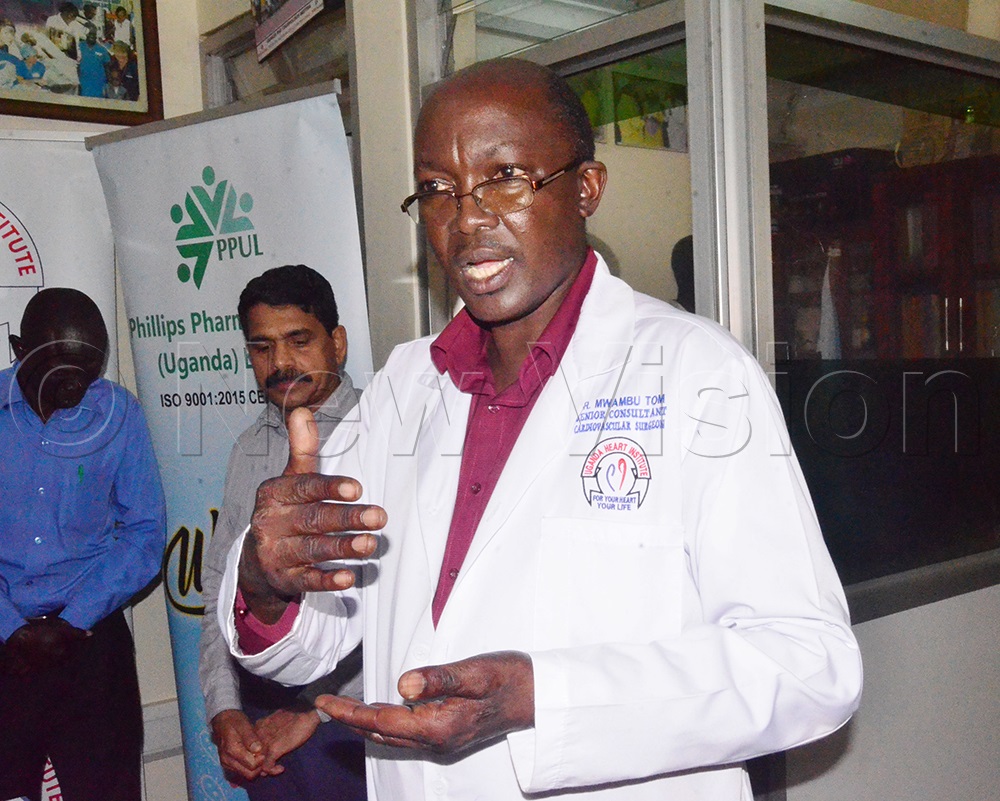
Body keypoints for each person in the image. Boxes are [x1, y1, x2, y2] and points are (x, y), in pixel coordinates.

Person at [221, 58, 863, 801]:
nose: (467, 219)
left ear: (585, 188)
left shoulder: (697, 374)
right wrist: (268, 583)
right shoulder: (405, 386)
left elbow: (810, 664)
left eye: (506, 178)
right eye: (438, 190)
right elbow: (322, 637)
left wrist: (543, 696)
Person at [199, 265, 366, 799]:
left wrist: (313, 709)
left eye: (299, 341)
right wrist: (224, 708)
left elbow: (404, 606)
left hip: (349, 724)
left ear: (336, 343)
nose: (281, 363)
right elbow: (219, 588)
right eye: (262, 347)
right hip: (258, 723)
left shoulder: (385, 434)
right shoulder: (247, 447)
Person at [0, 288, 166, 801]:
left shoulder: (120, 415)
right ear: (18, 348)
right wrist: (11, 628)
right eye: (58, 367)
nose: (77, 385)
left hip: (92, 644)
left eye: (90, 369)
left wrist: (73, 621)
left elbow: (145, 534)